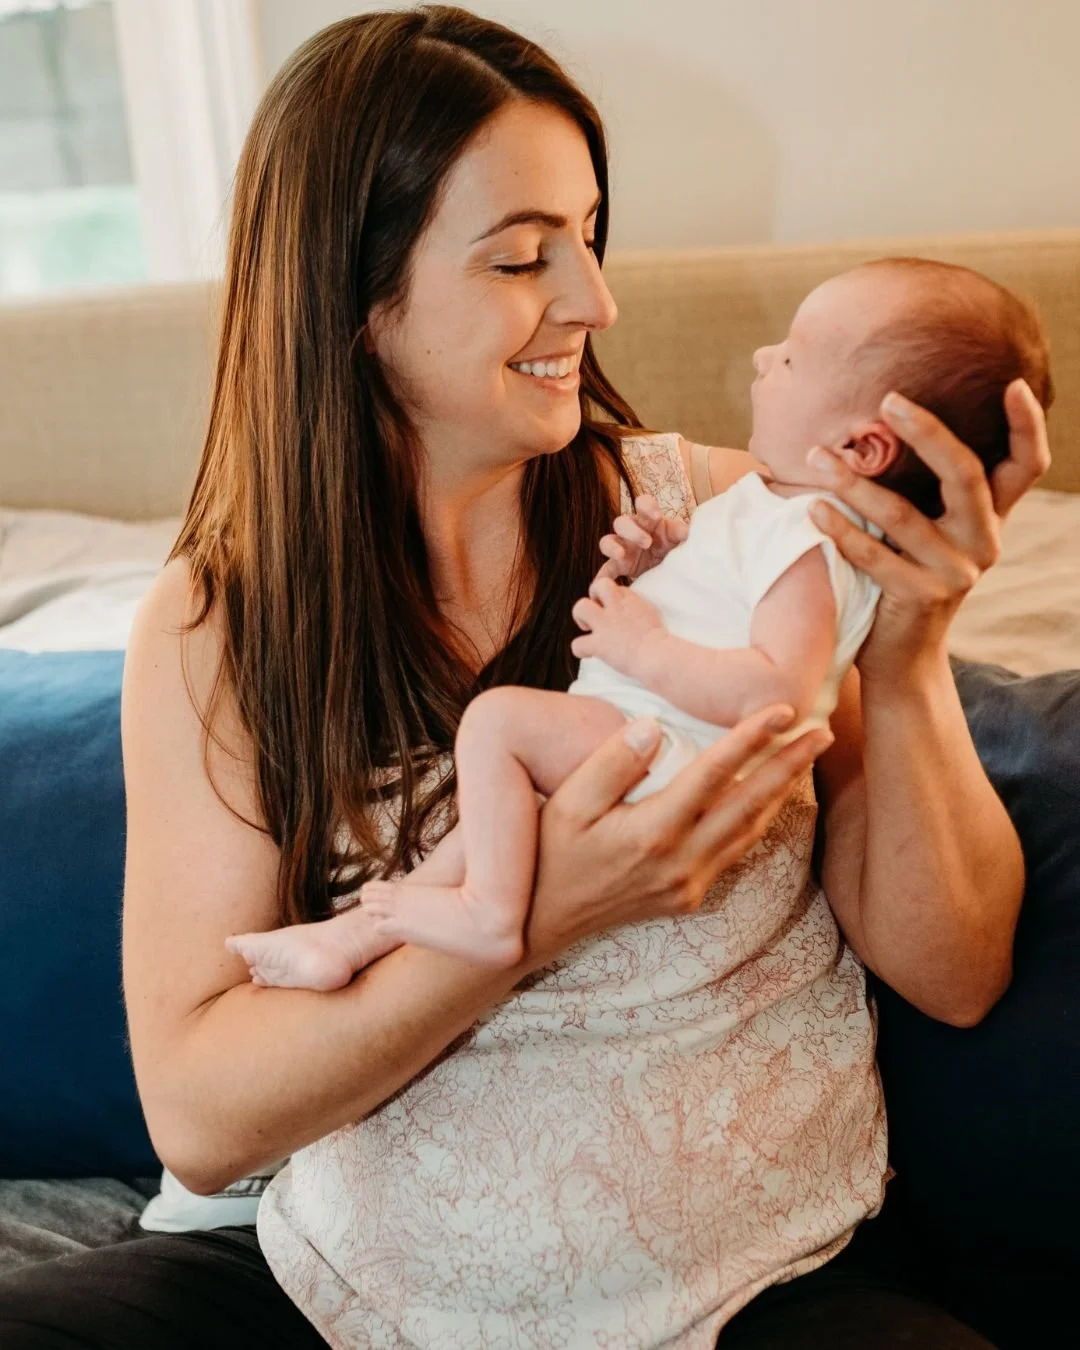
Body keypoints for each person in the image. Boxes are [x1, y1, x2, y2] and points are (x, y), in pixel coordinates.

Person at [0, 8, 1050, 1349]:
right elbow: (202, 1119)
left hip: (754, 1277)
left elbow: (955, 974)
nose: (596, 303)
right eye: (520, 256)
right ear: (353, 297)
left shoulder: (733, 521)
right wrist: (538, 918)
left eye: (590, 236)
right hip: (350, 1290)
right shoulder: (224, 625)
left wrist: (904, 651)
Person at [222, 257, 1052, 983]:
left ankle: (480, 916)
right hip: (651, 730)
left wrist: (653, 646)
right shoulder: (763, 512)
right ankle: (359, 936)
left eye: (793, 358)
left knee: (499, 729)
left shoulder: (808, 536)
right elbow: (722, 613)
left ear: (863, 449)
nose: (599, 302)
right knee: (493, 819)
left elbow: (782, 696)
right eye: (519, 258)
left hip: (670, 751)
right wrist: (659, 573)